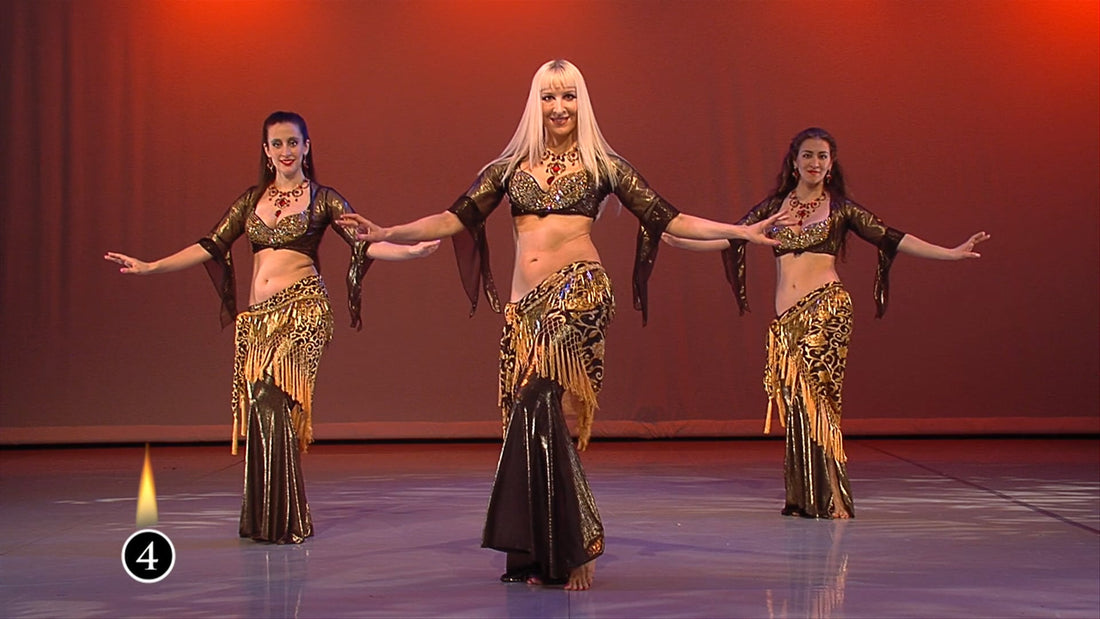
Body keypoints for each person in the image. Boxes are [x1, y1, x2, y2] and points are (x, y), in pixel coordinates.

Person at [338, 59, 786, 589]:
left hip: (579, 291)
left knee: (539, 406)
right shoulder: (508, 168)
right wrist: (389, 229)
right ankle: (540, 552)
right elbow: (454, 218)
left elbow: (669, 217)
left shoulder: (604, 166)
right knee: (530, 423)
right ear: (535, 103)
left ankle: (579, 546)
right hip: (523, 310)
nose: (558, 108)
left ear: (582, 102)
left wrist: (742, 232)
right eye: (549, 98)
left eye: (568, 97)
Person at [105, 111, 439, 544]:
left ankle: (286, 518)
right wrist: (151, 267)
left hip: (303, 311)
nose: (286, 151)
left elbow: (364, 239)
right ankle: (268, 516)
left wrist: (408, 252)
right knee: (264, 410)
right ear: (266, 152)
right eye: (277, 144)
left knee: (273, 401)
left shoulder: (323, 199)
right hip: (258, 322)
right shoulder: (250, 201)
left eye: (293, 143)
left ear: (307, 147)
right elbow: (211, 245)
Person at [664, 127, 989, 520]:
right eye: (808, 155)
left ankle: (833, 497)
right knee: (798, 404)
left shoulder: (841, 209)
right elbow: (735, 237)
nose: (814, 163)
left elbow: (892, 237)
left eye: (822, 156)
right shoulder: (774, 208)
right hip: (787, 321)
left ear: (831, 165)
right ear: (794, 162)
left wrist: (950, 254)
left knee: (821, 403)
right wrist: (680, 240)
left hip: (827, 311)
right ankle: (806, 497)